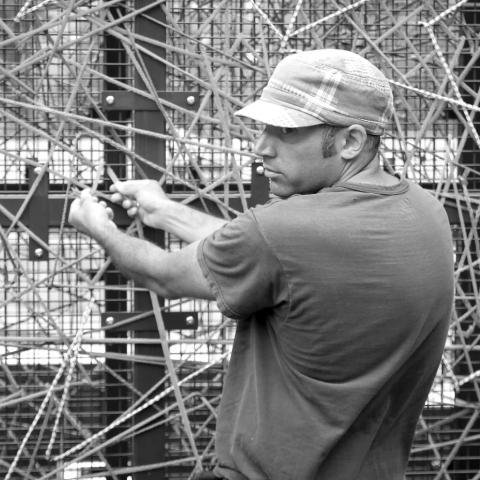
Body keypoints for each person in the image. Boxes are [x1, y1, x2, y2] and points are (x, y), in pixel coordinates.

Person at [69, 49, 454, 480]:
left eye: (285, 130)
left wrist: (98, 227)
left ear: (351, 141)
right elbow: (279, 259)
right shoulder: (426, 213)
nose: (261, 147)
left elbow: (163, 276)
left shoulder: (284, 233)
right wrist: (166, 212)